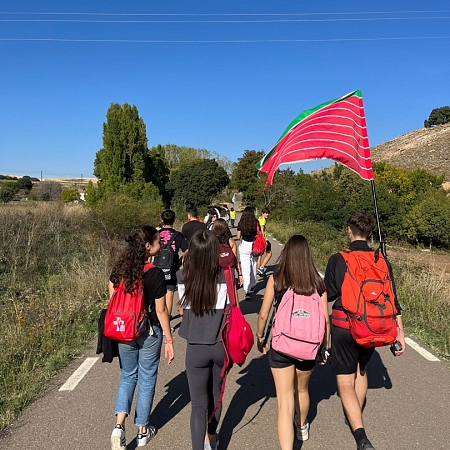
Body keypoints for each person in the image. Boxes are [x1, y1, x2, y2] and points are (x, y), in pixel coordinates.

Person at [324, 212, 406, 450]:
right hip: (374, 327)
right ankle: (354, 416)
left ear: (349, 231)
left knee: (345, 382)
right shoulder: (382, 260)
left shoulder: (338, 259)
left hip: (344, 325)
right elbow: (393, 299)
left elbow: (328, 294)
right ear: (370, 234)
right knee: (361, 370)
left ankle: (360, 435)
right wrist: (399, 332)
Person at [256, 235, 330, 449]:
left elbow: (263, 315)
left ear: (286, 253)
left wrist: (260, 338)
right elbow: (325, 320)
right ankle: (302, 425)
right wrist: (325, 348)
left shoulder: (277, 279)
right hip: (309, 348)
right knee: (303, 390)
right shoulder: (317, 283)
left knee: (285, 402)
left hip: (282, 347)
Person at [109, 226, 174, 450]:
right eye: (157, 242)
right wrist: (169, 339)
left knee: (127, 375)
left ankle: (118, 427)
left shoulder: (121, 269)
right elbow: (161, 311)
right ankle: (142, 430)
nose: (160, 244)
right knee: (146, 378)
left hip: (124, 330)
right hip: (149, 331)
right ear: (148, 247)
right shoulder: (154, 273)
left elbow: (112, 295)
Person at [177, 230, 229, 450]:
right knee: (215, 395)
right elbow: (230, 309)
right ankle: (213, 437)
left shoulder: (183, 276)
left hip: (196, 347)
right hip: (220, 345)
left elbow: (182, 309)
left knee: (198, 404)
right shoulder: (225, 275)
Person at [158, 210, 188, 319]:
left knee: (158, 293)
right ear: (174, 220)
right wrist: (180, 261)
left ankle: (159, 318)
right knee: (169, 293)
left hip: (157, 267)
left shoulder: (156, 234)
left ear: (162, 220)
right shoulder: (178, 235)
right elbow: (187, 249)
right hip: (172, 267)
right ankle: (167, 318)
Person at [211, 218, 244, 287]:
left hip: (214, 271)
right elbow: (235, 258)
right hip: (228, 271)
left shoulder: (210, 239)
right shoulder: (230, 240)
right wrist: (240, 274)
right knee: (231, 293)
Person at [236, 206, 258, 299]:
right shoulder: (255, 222)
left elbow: (238, 237)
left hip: (245, 245)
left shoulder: (242, 222)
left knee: (245, 268)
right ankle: (253, 284)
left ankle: (247, 289)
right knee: (253, 265)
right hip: (254, 245)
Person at [257, 207, 272, 277]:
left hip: (258, 239)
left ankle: (259, 271)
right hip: (263, 239)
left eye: (268, 213)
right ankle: (262, 267)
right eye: (266, 213)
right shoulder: (262, 220)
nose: (267, 214)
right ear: (262, 213)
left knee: (260, 256)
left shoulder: (259, 219)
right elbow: (262, 230)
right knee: (269, 254)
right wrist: (264, 240)